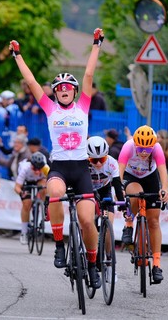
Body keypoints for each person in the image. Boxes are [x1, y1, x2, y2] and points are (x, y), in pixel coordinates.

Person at [9, 28, 105, 289]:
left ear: (74, 92)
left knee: (87, 221)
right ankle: (60, 246)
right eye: (59, 88)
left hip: (81, 169)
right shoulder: (49, 108)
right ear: (55, 93)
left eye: (67, 88)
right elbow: (31, 82)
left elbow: (88, 74)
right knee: (53, 191)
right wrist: (17, 56)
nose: (63, 90)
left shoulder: (83, 106)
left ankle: (94, 265)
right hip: (60, 167)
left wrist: (96, 44)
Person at [118, 125, 168, 284]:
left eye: (148, 149)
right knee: (136, 194)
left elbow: (162, 171)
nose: (144, 152)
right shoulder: (128, 147)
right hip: (131, 176)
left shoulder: (157, 149)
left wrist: (165, 190)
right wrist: (121, 190)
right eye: (141, 148)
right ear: (135, 144)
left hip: (149, 177)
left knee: (154, 221)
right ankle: (129, 223)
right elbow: (119, 172)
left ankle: (156, 264)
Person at [87, 136, 125, 283]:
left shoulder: (111, 163)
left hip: (104, 190)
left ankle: (109, 263)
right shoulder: (83, 163)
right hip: (88, 191)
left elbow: (117, 185)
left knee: (108, 226)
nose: (97, 163)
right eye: (93, 160)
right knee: (88, 222)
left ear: (106, 156)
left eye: (101, 160)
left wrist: (122, 204)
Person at [14, 152, 49, 245]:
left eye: (39, 169)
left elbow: (51, 182)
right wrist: (22, 192)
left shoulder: (46, 168)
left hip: (39, 180)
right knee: (27, 204)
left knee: (45, 188)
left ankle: (43, 206)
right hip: (27, 182)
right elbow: (17, 187)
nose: (37, 171)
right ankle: (24, 233)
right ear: (31, 165)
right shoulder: (25, 168)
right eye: (34, 168)